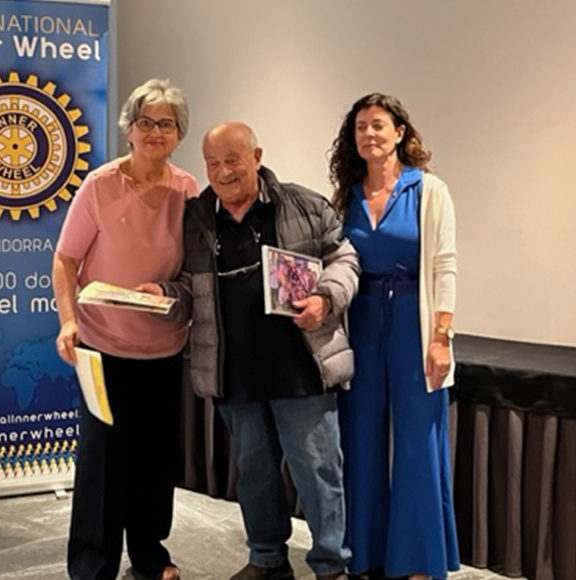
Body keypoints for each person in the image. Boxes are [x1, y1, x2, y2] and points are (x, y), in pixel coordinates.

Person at [140, 122, 359, 580]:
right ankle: (266, 559)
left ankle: (330, 565)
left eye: (232, 160)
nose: (223, 172)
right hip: (234, 370)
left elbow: (344, 259)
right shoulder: (196, 218)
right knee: (255, 474)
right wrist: (162, 296)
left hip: (301, 367)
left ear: (256, 157)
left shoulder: (303, 204)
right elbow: (189, 287)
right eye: (213, 163)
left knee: (318, 472)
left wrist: (324, 299)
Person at [52, 78, 198, 580]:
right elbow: (65, 260)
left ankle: (149, 556)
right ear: (129, 129)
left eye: (166, 124)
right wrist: (68, 321)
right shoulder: (100, 186)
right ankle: (93, 566)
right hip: (103, 346)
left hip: (163, 347)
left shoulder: (188, 190)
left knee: (154, 460)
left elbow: (192, 270)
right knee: (103, 462)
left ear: (178, 133)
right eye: (145, 122)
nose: (155, 132)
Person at [328, 93, 460, 580]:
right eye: (361, 126)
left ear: (400, 132)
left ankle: (420, 560)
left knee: (417, 441)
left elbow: (445, 265)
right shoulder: (346, 197)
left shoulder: (429, 190)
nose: (369, 134)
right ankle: (363, 554)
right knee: (359, 436)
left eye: (378, 125)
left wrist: (441, 336)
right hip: (361, 322)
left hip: (413, 322)